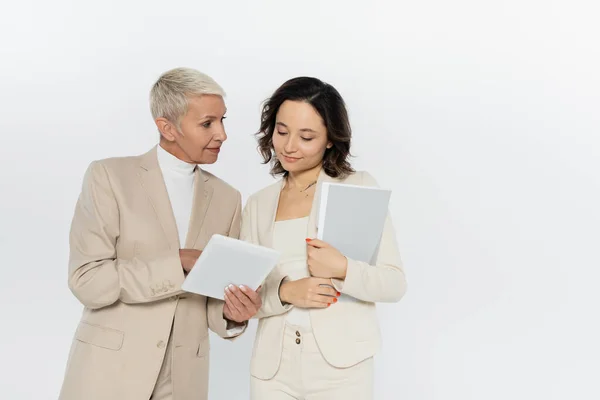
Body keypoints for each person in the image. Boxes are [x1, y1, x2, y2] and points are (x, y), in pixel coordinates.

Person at [58, 67, 262, 400]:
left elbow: (211, 299)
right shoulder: (109, 177)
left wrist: (232, 312)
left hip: (184, 381)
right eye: (207, 123)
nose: (222, 134)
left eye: (223, 120)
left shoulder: (228, 199)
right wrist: (177, 262)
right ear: (167, 127)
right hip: (109, 374)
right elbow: (88, 281)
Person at [240, 77, 407, 399]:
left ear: (331, 139)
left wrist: (342, 267)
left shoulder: (357, 188)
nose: (289, 147)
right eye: (282, 131)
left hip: (341, 369)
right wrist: (286, 292)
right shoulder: (258, 203)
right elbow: (245, 298)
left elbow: (394, 284)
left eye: (306, 137)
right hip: (273, 369)